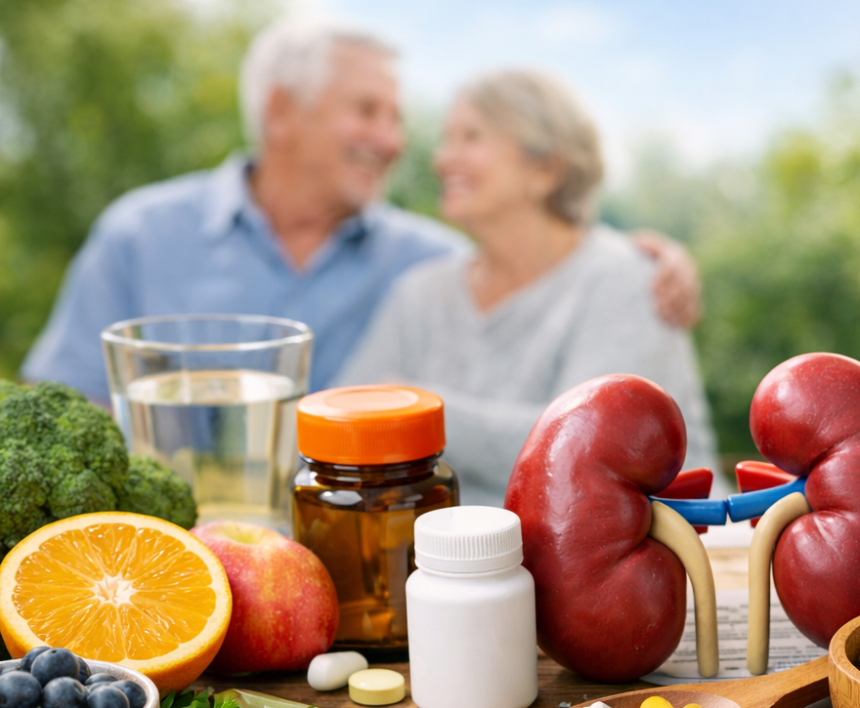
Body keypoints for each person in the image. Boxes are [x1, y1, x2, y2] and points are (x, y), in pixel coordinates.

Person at [19, 18, 701, 402]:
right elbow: (60, 405)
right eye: (367, 111)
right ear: (282, 113)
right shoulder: (140, 234)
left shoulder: (427, 261)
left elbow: (546, 263)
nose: (394, 142)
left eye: (396, 118)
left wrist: (650, 257)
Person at [334, 70, 717, 507]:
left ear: (545, 169)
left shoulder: (627, 280)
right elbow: (338, 423)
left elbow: (588, 447)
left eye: (470, 137)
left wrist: (412, 413)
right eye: (446, 139)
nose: (441, 159)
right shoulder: (420, 293)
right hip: (459, 548)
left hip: (665, 544)